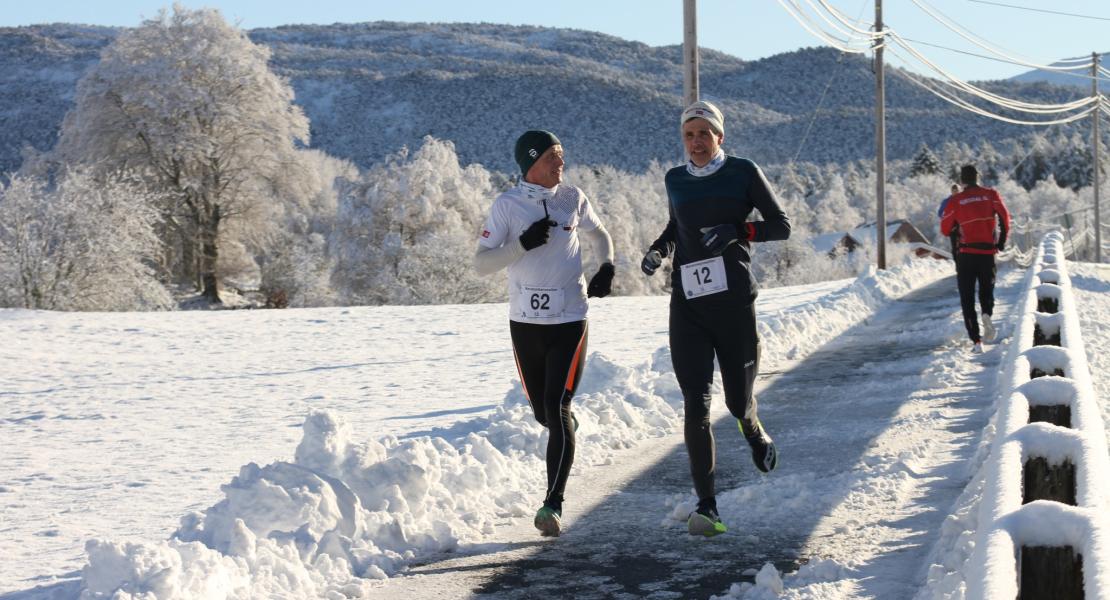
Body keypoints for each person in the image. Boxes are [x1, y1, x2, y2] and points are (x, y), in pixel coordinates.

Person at [640, 101, 791, 537]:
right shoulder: (675, 179)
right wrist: (658, 249)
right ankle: (708, 507)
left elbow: (780, 225)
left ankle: (750, 423)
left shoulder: (742, 172)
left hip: (734, 304)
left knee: (735, 400)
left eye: (704, 133)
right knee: (696, 404)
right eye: (689, 134)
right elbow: (676, 228)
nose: (696, 142)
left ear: (719, 137)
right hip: (688, 304)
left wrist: (739, 231)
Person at [473, 130, 615, 537]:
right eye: (553, 157)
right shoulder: (507, 205)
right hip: (525, 323)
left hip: (570, 318)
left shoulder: (572, 197)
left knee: (558, 407)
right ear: (531, 163)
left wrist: (606, 265)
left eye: (562, 156)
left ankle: (552, 503)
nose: (561, 164)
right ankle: (565, 434)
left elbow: (599, 233)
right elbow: (481, 264)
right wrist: (520, 245)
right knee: (544, 414)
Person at [940, 164, 1011, 353]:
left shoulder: (956, 201)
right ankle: (987, 313)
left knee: (967, 297)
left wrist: (957, 225)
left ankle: (976, 340)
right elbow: (1005, 218)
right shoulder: (991, 194)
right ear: (977, 178)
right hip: (987, 253)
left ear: (962, 181)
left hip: (966, 255)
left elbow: (945, 228)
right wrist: (1002, 241)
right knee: (987, 290)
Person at [937, 183, 961, 262]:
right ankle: (957, 263)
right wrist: (947, 218)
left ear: (959, 191)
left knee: (964, 246)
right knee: (955, 246)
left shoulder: (963, 199)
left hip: (963, 225)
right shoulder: (946, 201)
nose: (955, 192)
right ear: (951, 191)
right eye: (954, 191)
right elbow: (940, 213)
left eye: (957, 190)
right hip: (952, 226)